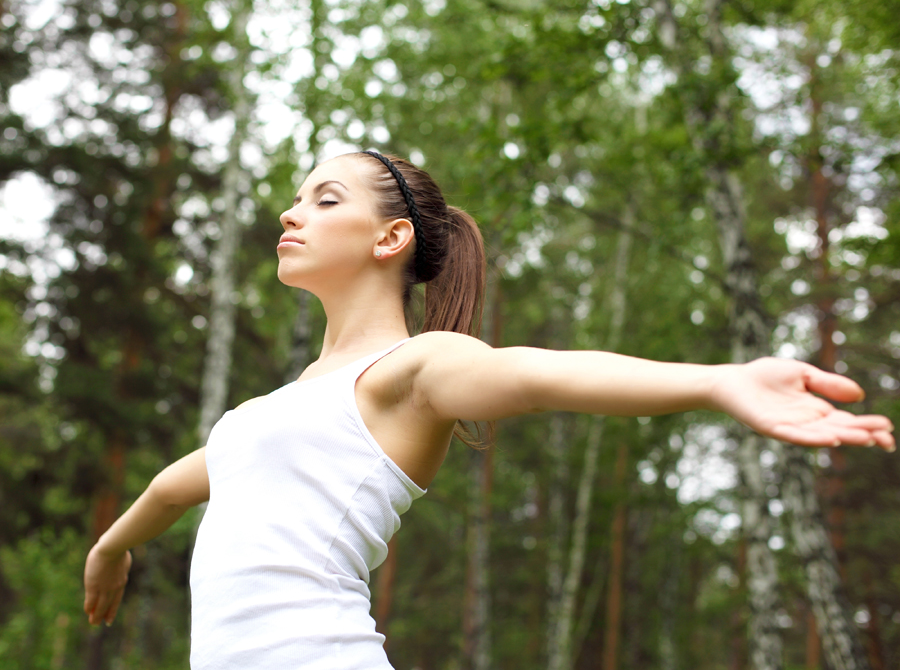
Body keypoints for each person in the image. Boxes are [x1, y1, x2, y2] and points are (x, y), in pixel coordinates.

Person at [83, 151, 895, 668]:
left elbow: (535, 374)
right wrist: (112, 546)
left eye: (324, 200)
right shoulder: (278, 410)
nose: (292, 214)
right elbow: (175, 485)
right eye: (296, 199)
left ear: (389, 238)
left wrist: (714, 381)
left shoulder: (414, 369)